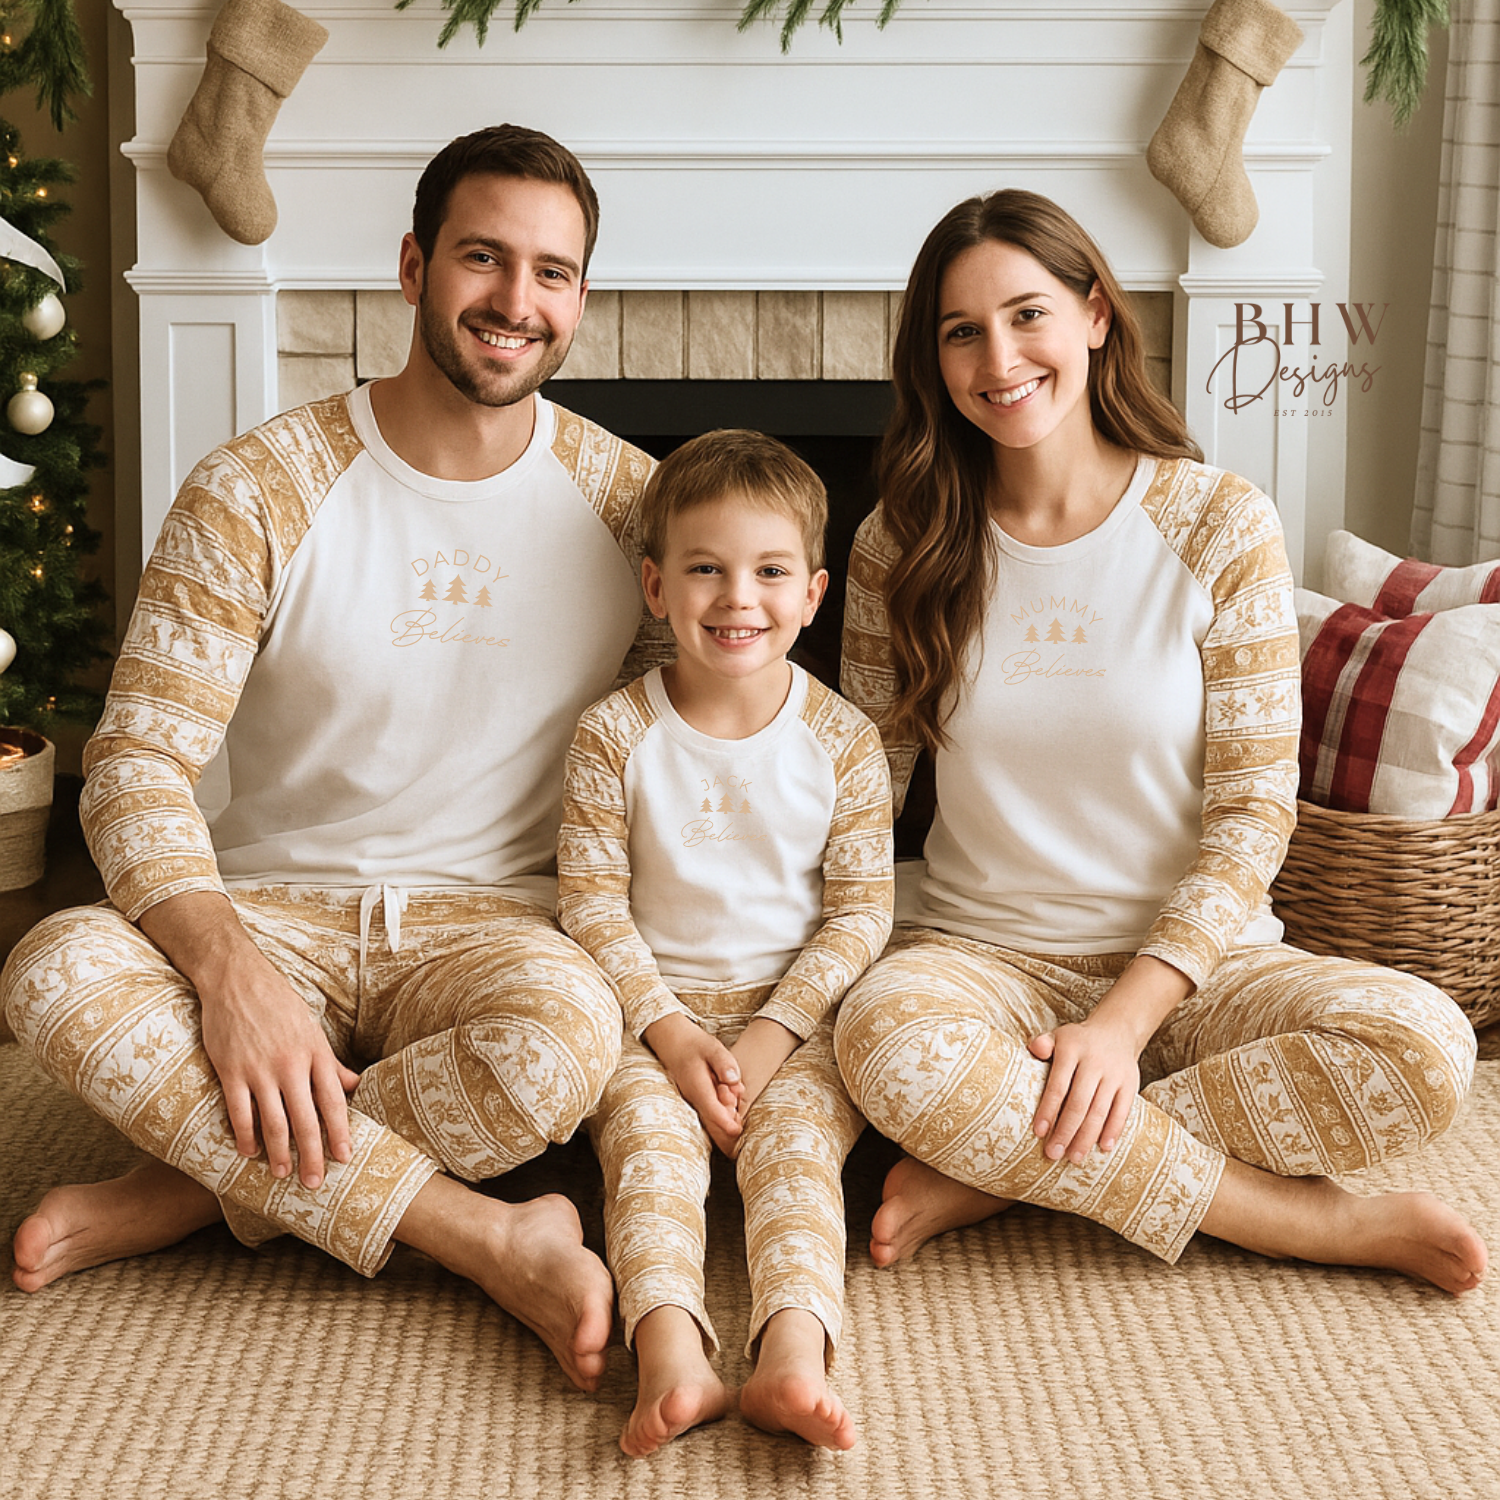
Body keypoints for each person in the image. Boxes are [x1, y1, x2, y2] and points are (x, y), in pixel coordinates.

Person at [1, 125, 676, 1392]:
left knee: (568, 1037)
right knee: (53, 972)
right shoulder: (257, 487)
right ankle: (479, 1235)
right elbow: (139, 760)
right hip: (274, 912)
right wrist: (229, 972)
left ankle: (199, 1191)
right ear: (415, 266)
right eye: (483, 258)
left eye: (552, 273)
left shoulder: (635, 507)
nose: (515, 303)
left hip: (494, 928)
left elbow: (697, 747)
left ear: (581, 297)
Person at [833, 189, 1488, 1293]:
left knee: (1429, 1044)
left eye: (1028, 314)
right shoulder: (901, 541)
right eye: (962, 332)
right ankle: (1293, 1223)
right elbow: (856, 792)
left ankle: (1001, 1173)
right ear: (933, 360)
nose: (1000, 357)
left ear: (1095, 315)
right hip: (980, 961)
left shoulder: (1218, 522)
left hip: (1201, 974)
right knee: (883, 1044)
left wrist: (1125, 1022)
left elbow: (1250, 818)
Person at [556, 430, 893, 1454]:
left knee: (796, 1166)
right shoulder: (614, 735)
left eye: (769, 572)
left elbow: (863, 913)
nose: (736, 597)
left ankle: (792, 1354)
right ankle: (671, 1354)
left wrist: (771, 1039)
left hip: (790, 1026)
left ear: (813, 594)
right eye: (705, 568)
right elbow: (590, 903)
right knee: (647, 1161)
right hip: (649, 1017)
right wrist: (664, 1030)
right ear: (656, 587)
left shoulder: (842, 740)